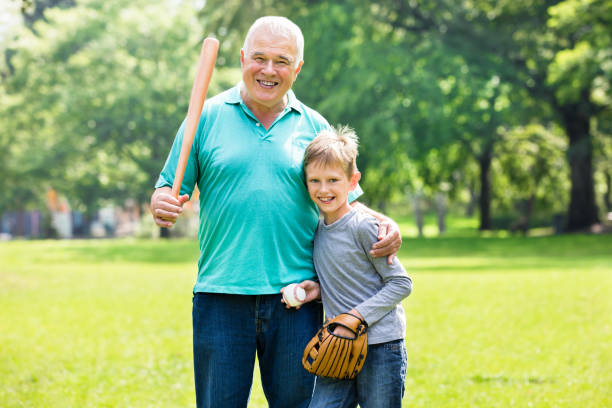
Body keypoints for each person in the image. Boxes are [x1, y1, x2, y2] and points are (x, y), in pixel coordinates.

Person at [150, 16, 402, 408]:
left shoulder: (315, 127)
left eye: (282, 61)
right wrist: (161, 202)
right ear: (242, 58)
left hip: (297, 299)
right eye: (259, 58)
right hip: (221, 294)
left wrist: (387, 224)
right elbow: (168, 187)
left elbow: (346, 202)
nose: (269, 70)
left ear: (297, 68)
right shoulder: (204, 117)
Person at [297, 126, 412, 408]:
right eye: (315, 181)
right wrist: (319, 291)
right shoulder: (318, 230)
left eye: (333, 180)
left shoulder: (364, 226)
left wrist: (356, 318)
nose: (324, 189)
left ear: (352, 181)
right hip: (337, 347)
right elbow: (354, 281)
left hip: (381, 346)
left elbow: (401, 283)